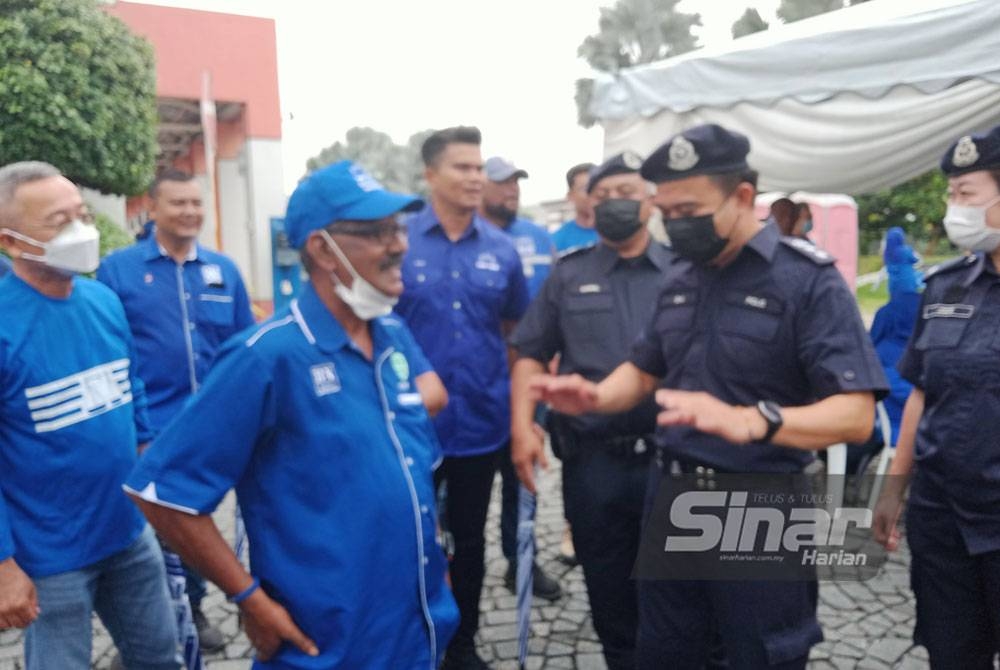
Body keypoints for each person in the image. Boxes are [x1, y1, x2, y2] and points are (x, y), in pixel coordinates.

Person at [533, 124, 886, 670]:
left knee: (758, 656)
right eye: (667, 211)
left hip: (758, 499)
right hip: (671, 492)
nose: (675, 224)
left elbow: (857, 415)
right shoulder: (681, 278)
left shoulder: (805, 280)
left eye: (690, 210)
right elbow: (645, 369)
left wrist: (754, 421)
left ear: (742, 197)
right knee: (666, 652)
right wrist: (597, 396)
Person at [124, 160, 458, 669]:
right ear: (323, 249)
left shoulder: (390, 336)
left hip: (418, 630)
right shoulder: (265, 356)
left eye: (399, 228)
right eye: (376, 232)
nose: (399, 245)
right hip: (325, 645)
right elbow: (163, 493)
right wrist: (248, 598)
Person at [0, 161, 178, 669]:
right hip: (48, 556)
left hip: (127, 533)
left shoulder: (102, 300)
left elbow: (131, 388)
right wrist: (3, 566)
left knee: (157, 656)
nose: (81, 231)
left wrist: (153, 476)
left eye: (82, 214)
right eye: (59, 222)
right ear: (11, 242)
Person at [510, 151, 668, 670]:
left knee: (679, 601)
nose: (613, 204)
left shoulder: (685, 273)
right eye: (601, 197)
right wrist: (522, 427)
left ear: (651, 200)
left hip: (672, 461)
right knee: (610, 597)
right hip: (593, 464)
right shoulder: (568, 275)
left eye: (625, 193)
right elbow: (530, 352)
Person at [98, 169, 255, 652]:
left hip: (213, 428)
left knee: (198, 519)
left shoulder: (223, 270)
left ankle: (197, 604)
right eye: (178, 203)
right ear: (153, 207)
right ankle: (162, 622)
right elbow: (109, 349)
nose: (189, 212)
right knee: (158, 529)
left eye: (195, 202)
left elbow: (244, 347)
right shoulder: (118, 271)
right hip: (151, 429)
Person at [396, 127, 530, 670]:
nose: (476, 178)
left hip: (480, 423)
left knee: (469, 540)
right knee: (405, 533)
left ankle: (464, 640)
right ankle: (407, 635)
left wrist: (522, 411)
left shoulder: (502, 249)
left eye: (479, 168)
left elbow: (516, 332)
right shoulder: (398, 240)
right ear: (430, 175)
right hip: (408, 426)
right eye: (463, 168)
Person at [874, 125, 1000, 668]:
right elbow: (922, 391)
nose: (954, 207)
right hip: (942, 518)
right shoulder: (946, 287)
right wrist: (893, 489)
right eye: (950, 194)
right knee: (952, 655)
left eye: (966, 193)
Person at [478, 155, 562, 601]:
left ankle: (521, 561)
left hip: (529, 383)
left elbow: (556, 301)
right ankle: (453, 562)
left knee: (523, 475)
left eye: (516, 184)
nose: (512, 191)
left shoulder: (538, 237)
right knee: (462, 484)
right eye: (502, 183)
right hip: (475, 384)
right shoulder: (467, 238)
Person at [552, 162, 598, 252]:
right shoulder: (556, 241)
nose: (592, 193)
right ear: (570, 196)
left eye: (596, 187)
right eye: (585, 188)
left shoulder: (621, 234)